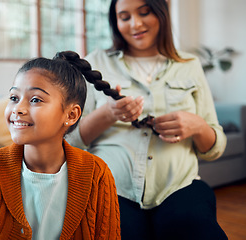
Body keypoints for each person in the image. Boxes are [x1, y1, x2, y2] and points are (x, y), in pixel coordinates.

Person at [66, 0, 228, 239]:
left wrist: (197, 126)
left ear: (162, 14)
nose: (136, 24)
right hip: (110, 188)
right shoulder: (97, 62)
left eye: (145, 12)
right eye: (125, 17)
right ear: (116, 22)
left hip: (179, 187)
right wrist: (109, 114)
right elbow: (70, 141)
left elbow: (213, 149)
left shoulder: (189, 65)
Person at [0, 51, 121, 240]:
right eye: (14, 98)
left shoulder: (98, 175)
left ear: (71, 115)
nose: (18, 109)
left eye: (35, 100)